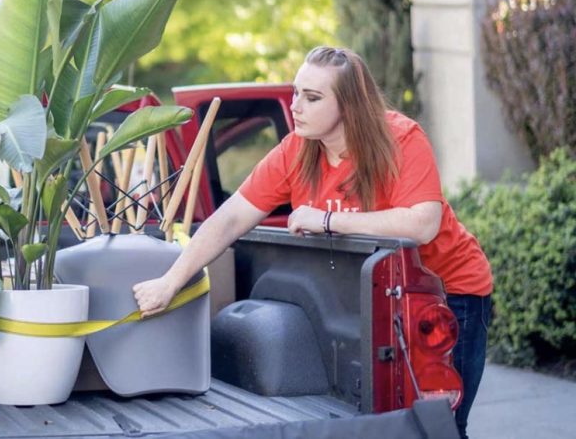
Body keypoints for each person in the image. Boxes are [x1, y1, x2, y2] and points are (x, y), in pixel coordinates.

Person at [133, 46, 493, 439]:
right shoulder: (297, 149)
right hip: (375, 297)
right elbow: (230, 218)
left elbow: (423, 224)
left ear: (351, 105)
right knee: (383, 424)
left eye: (312, 97)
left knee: (438, 426)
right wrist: (171, 281)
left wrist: (326, 221)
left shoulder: (401, 138)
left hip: (447, 293)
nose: (296, 107)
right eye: (296, 94)